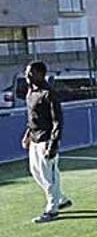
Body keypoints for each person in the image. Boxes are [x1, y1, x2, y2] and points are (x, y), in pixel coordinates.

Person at [21, 61, 71, 224]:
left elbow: (57, 121)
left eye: (30, 73)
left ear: (40, 74)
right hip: (35, 139)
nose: (27, 76)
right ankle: (61, 199)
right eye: (26, 73)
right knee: (36, 172)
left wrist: (53, 144)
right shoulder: (30, 93)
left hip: (46, 140)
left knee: (49, 176)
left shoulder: (49, 94)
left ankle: (52, 209)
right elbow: (32, 117)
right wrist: (28, 135)